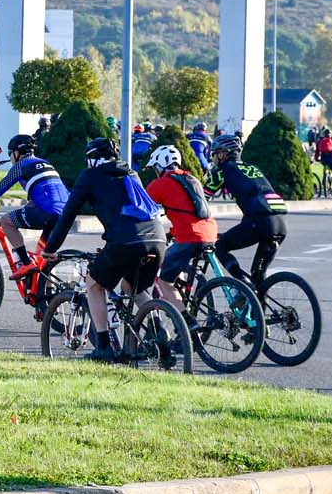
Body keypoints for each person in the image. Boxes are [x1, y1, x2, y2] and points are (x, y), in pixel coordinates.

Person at [40, 137, 167, 362]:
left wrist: (50, 248)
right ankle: (159, 332)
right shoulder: (131, 173)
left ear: (92, 159)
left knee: (94, 284)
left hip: (124, 243)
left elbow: (67, 215)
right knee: (133, 288)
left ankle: (104, 347)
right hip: (157, 240)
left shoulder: (90, 176)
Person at [0, 134, 70, 279]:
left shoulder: (21, 166)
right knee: (44, 257)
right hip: (65, 214)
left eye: (10, 153)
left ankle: (25, 262)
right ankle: (48, 295)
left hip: (46, 211)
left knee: (6, 221)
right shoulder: (46, 164)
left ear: (18, 153)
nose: (10, 158)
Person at [204, 133, 287, 289]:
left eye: (214, 154)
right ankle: (258, 308)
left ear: (222, 154)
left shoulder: (222, 171)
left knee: (220, 246)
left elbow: (202, 200)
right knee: (258, 275)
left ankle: (243, 284)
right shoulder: (251, 168)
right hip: (280, 223)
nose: (213, 158)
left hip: (259, 222)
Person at [144, 145, 219, 314]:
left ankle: (186, 321)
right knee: (177, 259)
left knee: (164, 281)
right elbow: (188, 212)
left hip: (190, 237)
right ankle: (182, 296)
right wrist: (172, 233)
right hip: (210, 233)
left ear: (160, 166)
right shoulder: (191, 178)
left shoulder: (160, 184)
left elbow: (143, 212)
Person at [314, 126, 332, 195]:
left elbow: (317, 152)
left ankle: (324, 181)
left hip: (323, 160)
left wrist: (316, 159)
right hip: (331, 160)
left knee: (325, 168)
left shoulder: (320, 141)